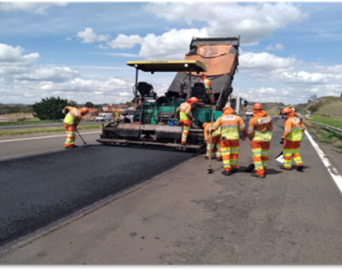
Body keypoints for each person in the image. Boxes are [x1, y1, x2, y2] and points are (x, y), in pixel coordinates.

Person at [210, 106, 247, 176]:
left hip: (224, 139)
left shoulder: (220, 119)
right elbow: (243, 128)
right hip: (235, 139)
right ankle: (234, 168)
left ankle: (226, 170)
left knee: (226, 154)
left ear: (224, 111)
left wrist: (211, 131)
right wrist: (244, 136)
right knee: (234, 154)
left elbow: (214, 128)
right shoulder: (237, 118)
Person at [247, 103, 273, 178]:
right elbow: (271, 128)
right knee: (264, 155)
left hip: (256, 140)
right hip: (267, 140)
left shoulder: (253, 120)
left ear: (254, 110)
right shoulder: (269, 118)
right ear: (262, 109)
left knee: (257, 156)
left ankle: (259, 173)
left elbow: (250, 132)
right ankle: (264, 169)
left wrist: (250, 138)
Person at [280, 107, 306, 171]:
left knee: (287, 153)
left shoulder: (288, 121)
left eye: (285, 114)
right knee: (295, 152)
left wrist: (283, 137)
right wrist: (299, 133)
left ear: (289, 113)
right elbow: (303, 128)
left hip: (290, 140)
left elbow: (287, 131)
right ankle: (300, 164)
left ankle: (287, 166)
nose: (284, 115)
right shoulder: (297, 119)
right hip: (298, 140)